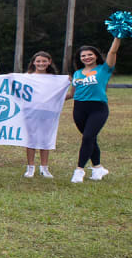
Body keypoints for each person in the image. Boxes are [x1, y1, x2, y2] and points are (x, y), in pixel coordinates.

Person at [68, 38, 120, 183]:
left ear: (96, 55)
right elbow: (72, 94)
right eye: (83, 56)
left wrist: (117, 36)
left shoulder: (104, 69)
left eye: (90, 54)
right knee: (90, 138)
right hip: (79, 109)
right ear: (80, 59)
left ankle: (79, 170)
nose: (86, 57)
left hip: (98, 109)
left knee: (88, 137)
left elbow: (113, 51)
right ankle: (98, 168)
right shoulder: (77, 73)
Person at [23, 51, 56, 179]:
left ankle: (44, 168)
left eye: (44, 61)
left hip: (48, 112)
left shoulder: (54, 79)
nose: (41, 63)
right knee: (31, 139)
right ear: (33, 62)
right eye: (38, 61)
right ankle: (30, 167)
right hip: (30, 111)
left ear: (49, 62)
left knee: (45, 139)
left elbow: (59, 95)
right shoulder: (27, 77)